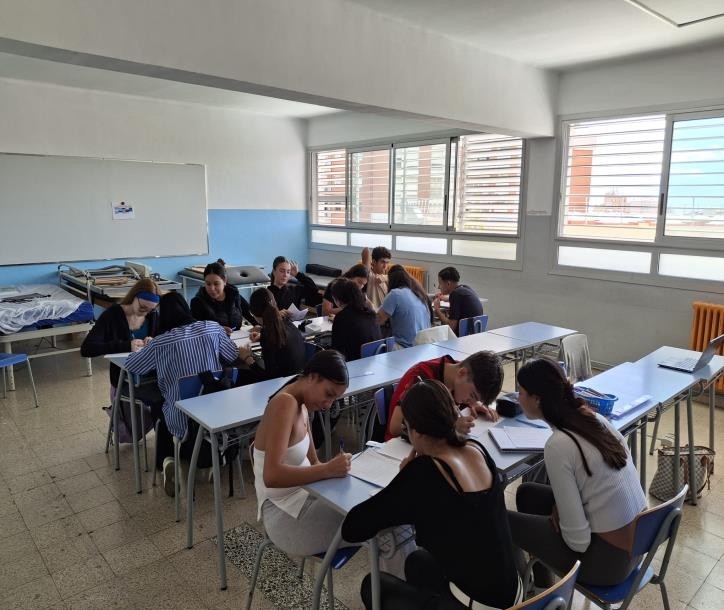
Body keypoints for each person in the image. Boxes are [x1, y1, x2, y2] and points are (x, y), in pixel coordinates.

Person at [342, 380, 523, 610]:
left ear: (416, 431)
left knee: (373, 586)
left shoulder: (424, 473)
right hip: (514, 595)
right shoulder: (476, 449)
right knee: (417, 562)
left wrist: (403, 479)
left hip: (477, 606)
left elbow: (353, 527)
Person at [507, 357, 647, 587]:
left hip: (607, 564)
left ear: (537, 399)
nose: (517, 398)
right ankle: (543, 586)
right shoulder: (595, 419)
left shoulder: (558, 445)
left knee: (504, 521)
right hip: (637, 547)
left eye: (521, 392)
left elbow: (578, 542)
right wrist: (564, 510)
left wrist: (565, 518)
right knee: (527, 493)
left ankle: (523, 595)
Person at [124, 292, 242, 495]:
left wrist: (145, 347)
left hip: (183, 418)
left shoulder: (161, 342)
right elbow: (232, 354)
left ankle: (168, 460)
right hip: (218, 412)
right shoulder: (212, 328)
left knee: (160, 406)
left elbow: (132, 365)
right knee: (172, 402)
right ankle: (205, 460)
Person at [252, 349, 353, 557]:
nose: (328, 405)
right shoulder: (285, 403)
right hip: (283, 514)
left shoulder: (303, 404)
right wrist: (329, 469)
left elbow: (314, 462)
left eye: (334, 399)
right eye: (328, 394)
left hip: (306, 497)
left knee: (372, 515)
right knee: (376, 524)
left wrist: (337, 473)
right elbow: (271, 476)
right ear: (313, 377)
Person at [385, 351, 502, 440]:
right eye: (472, 395)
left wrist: (475, 404)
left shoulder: (458, 374)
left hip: (432, 446)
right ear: (462, 373)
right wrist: (449, 428)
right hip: (399, 449)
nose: (471, 401)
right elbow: (395, 426)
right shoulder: (421, 378)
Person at [81, 278, 160, 393]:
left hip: (151, 379)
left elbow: (166, 339)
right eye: (142, 307)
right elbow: (87, 349)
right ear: (134, 297)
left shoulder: (153, 315)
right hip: (123, 382)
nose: (145, 312)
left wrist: (155, 341)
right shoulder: (112, 315)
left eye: (150, 309)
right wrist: (125, 346)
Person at [238, 288, 305, 382]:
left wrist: (247, 358)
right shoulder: (287, 322)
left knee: (240, 372)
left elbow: (268, 378)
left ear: (253, 314)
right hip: (299, 378)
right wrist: (262, 336)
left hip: (283, 384)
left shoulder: (268, 335)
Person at [190, 259, 256, 334]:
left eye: (216, 284)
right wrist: (217, 329)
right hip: (213, 339)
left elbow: (247, 312)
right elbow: (195, 328)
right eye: (208, 284)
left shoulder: (233, 294)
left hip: (238, 337)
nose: (212, 288)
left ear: (224, 281)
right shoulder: (197, 302)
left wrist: (257, 325)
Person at [377, 265, 432, 348]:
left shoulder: (395, 294)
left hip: (406, 347)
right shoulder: (419, 292)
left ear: (391, 280)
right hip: (424, 346)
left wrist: (369, 304)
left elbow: (378, 320)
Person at [330, 278, 381, 361]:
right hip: (375, 360)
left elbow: (336, 350)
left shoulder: (342, 317)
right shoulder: (371, 313)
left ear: (338, 299)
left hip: (354, 362)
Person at [433, 266, 483, 336]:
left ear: (448, 283)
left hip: (462, 338)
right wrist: (446, 298)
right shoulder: (465, 287)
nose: (438, 287)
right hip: (475, 334)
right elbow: (461, 299)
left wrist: (437, 309)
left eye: (440, 283)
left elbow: (451, 327)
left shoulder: (455, 294)